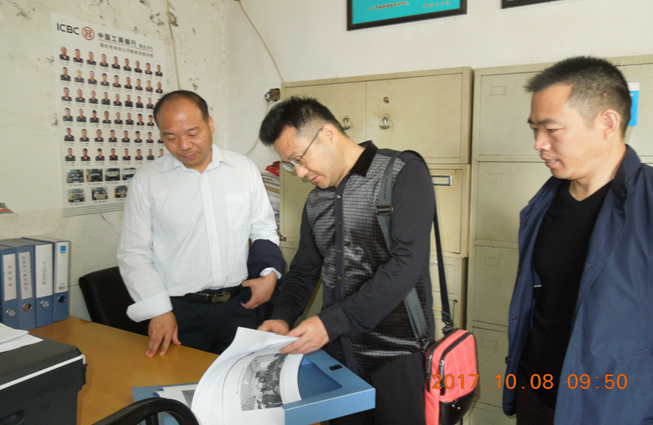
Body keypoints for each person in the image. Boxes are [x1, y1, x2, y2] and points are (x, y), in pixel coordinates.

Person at [257, 97, 435, 425]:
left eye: (299, 159)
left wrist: (331, 322)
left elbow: (406, 264)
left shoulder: (401, 172)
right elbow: (305, 270)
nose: (300, 173)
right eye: (290, 164)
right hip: (338, 355)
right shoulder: (316, 201)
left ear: (328, 134)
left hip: (396, 353)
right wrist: (282, 316)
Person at [503, 56, 653, 425]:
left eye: (552, 129)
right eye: (534, 129)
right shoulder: (543, 205)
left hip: (614, 408)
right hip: (536, 393)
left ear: (607, 123)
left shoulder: (648, 205)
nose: (539, 143)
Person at [117, 90, 283, 358]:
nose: (184, 145)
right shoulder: (147, 181)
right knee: (181, 382)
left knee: (242, 378)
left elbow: (263, 229)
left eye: (193, 133)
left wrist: (270, 275)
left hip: (240, 306)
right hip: (178, 312)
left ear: (210, 124)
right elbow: (133, 253)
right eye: (171, 137)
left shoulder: (243, 169)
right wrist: (158, 310)